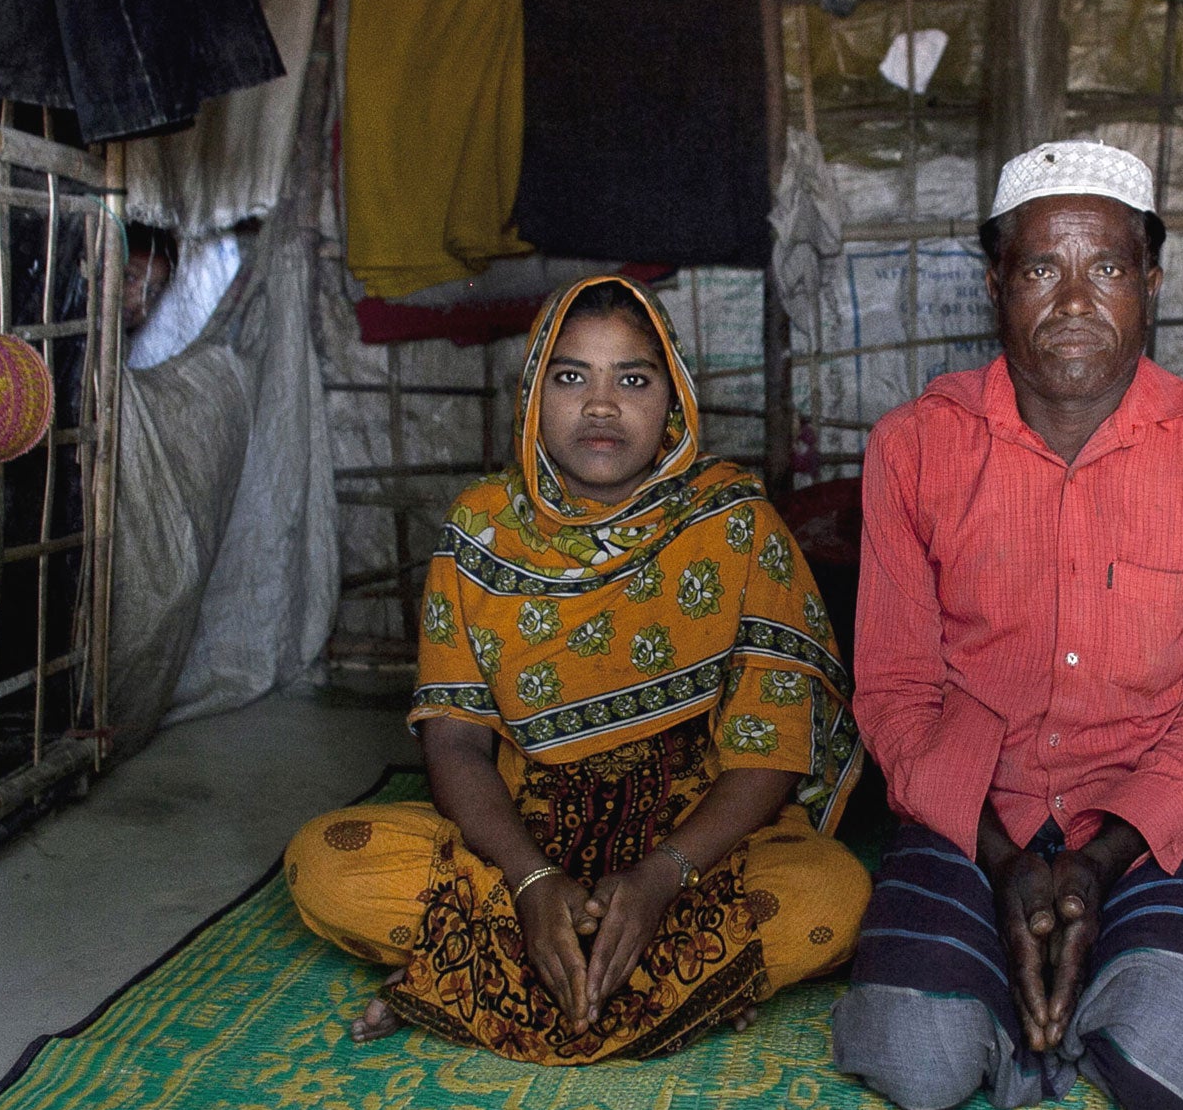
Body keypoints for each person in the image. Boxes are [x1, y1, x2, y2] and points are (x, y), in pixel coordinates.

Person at [285, 275, 870, 1063]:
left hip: (694, 845)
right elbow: (455, 743)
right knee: (326, 863)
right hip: (524, 837)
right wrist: (531, 882)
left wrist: (661, 877)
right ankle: (678, 977)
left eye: (632, 378)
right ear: (533, 391)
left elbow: (770, 755)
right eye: (571, 377)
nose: (601, 406)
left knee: (833, 895)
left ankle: (478, 971)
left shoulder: (737, 529)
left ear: (673, 397)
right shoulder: (479, 531)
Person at [829, 141, 1183, 1110]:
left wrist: (1095, 863)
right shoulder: (913, 448)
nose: (1073, 300)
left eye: (1107, 268)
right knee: (916, 1059)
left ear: (1149, 282)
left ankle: (1062, 969)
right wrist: (999, 860)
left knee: (1174, 1070)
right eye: (1040, 267)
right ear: (995, 283)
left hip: (1138, 814)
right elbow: (895, 692)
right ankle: (1027, 972)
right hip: (970, 814)